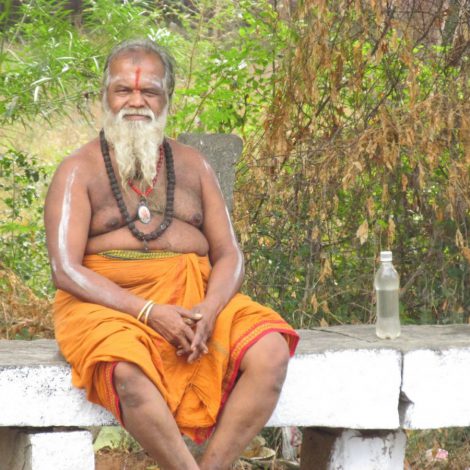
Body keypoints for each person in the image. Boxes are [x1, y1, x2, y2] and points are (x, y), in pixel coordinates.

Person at [45, 38, 299, 470]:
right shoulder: (77, 171)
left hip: (196, 303)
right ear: (104, 96)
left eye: (150, 91)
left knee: (271, 351)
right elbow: (65, 270)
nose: (136, 101)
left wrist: (210, 310)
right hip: (108, 307)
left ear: (168, 98)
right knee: (126, 370)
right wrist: (148, 312)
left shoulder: (195, 166)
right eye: (123, 90)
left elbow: (230, 255)